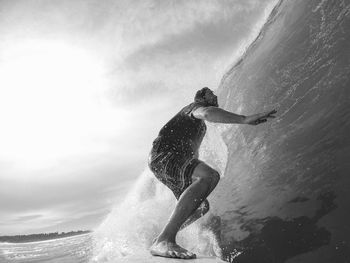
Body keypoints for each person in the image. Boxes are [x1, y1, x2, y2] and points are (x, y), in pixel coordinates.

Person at [148, 87, 276, 259]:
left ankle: (161, 236)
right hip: (165, 155)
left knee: (200, 207)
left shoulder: (200, 127)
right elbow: (207, 113)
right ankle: (165, 239)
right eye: (210, 93)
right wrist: (244, 119)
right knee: (209, 176)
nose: (215, 95)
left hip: (166, 160)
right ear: (201, 97)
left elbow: (192, 152)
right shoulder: (194, 107)